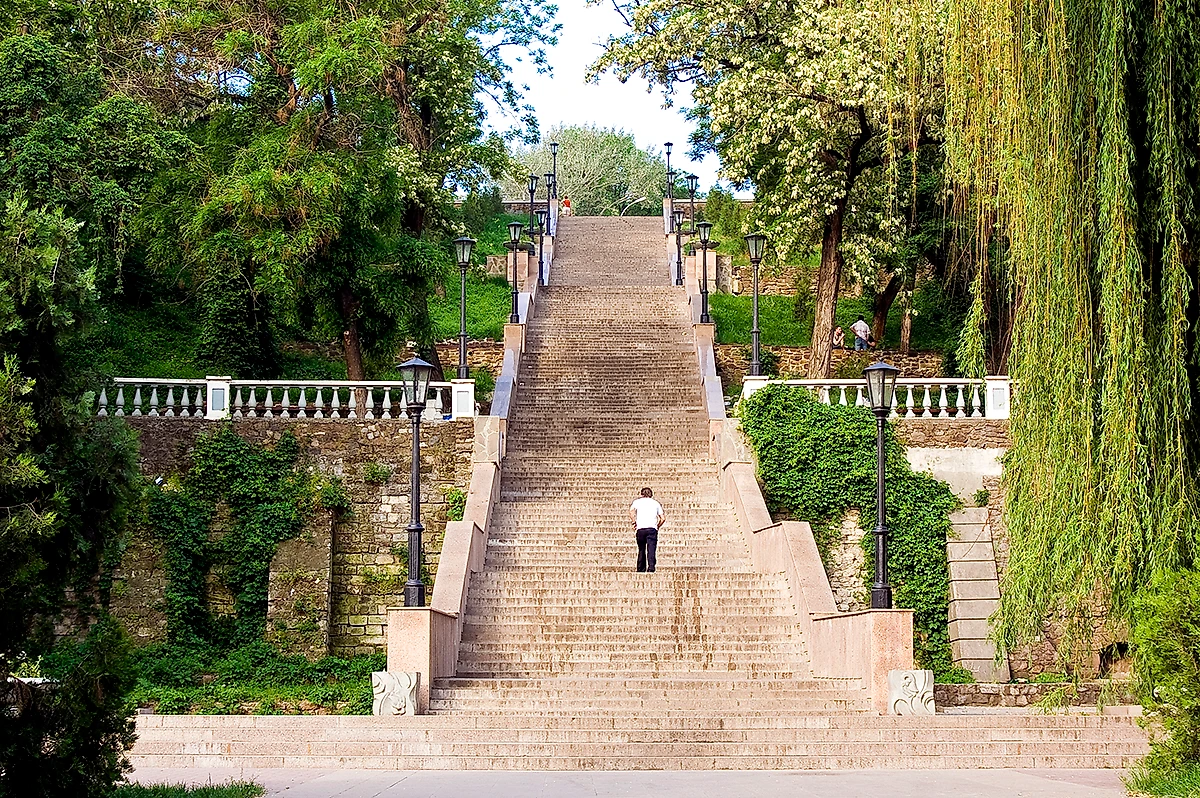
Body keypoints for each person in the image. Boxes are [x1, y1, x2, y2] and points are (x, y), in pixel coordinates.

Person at [629, 487, 665, 573]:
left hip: (641, 528)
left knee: (641, 549)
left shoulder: (637, 502)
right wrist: (658, 526)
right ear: (651, 495)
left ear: (641, 494)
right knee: (651, 549)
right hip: (652, 528)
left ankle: (641, 568)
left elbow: (631, 511)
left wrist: (634, 522)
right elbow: (663, 518)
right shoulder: (656, 503)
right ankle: (651, 567)